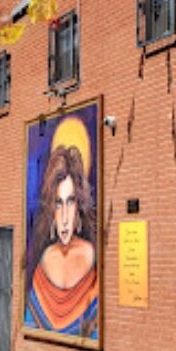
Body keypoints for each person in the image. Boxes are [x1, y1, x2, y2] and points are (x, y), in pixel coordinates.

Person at [25, 145, 99, 338]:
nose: (65, 217)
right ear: (50, 208)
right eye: (58, 203)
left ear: (79, 205)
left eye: (71, 201)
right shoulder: (41, 267)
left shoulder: (93, 258)